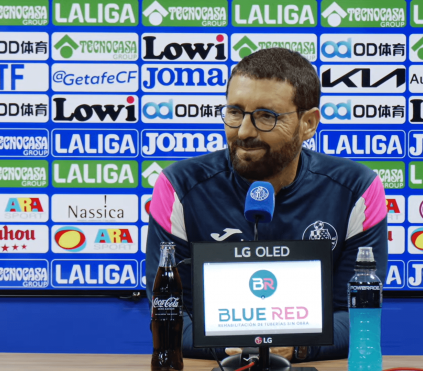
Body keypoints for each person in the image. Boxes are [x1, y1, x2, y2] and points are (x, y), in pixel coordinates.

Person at [146, 47, 388, 363]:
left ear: (309, 123)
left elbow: (358, 316)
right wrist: (234, 348)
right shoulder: (177, 187)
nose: (244, 131)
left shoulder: (358, 188)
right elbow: (170, 313)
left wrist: (296, 347)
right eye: (235, 112)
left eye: (266, 116)